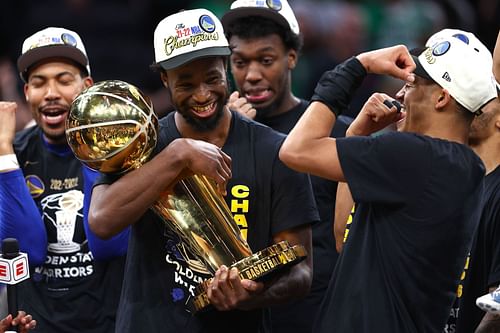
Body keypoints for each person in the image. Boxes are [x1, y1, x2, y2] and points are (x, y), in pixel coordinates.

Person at [88, 8, 317, 333]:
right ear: (164, 79)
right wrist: (176, 156)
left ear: (225, 66)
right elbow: (101, 222)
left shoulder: (275, 150)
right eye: (186, 83)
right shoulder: (141, 143)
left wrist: (253, 295)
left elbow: (302, 272)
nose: (202, 94)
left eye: (212, 78)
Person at [279, 32, 497, 332]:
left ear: (442, 97)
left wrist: (357, 66)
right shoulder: (464, 166)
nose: (399, 95)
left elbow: (295, 150)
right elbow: (345, 237)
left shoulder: (415, 156)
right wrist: (357, 137)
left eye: (410, 85)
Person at [220, 1, 350, 332]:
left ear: (291, 57)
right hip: (237, 317)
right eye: (239, 62)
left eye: (266, 60)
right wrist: (226, 137)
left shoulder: (335, 133)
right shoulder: (211, 137)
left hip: (320, 316)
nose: (251, 75)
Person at [0, 27, 127, 332]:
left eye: (64, 80)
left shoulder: (120, 151)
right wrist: (4, 152)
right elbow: (28, 250)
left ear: (87, 87)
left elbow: (108, 244)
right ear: (27, 92)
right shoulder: (10, 157)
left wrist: (92, 144)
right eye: (39, 83)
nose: (52, 93)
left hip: (111, 324)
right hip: (37, 325)